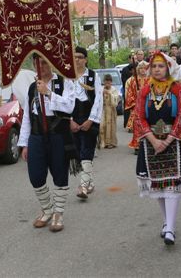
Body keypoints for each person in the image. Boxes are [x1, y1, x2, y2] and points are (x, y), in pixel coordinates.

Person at [133, 51, 181, 246]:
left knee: (172, 185)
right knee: (157, 185)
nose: (157, 70)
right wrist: (152, 140)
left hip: (173, 143)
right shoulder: (145, 90)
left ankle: (170, 228)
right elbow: (139, 116)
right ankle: (166, 221)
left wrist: (167, 141)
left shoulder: (177, 89)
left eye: (161, 66)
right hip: (151, 143)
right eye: (154, 66)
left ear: (168, 68)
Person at [18, 54, 76, 232]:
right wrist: (24, 143)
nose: (41, 66)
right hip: (36, 136)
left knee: (59, 174)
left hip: (58, 134)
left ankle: (58, 213)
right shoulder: (31, 88)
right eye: (37, 63)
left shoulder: (65, 83)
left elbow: (69, 107)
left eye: (44, 62)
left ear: (52, 63)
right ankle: (47, 209)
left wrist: (48, 93)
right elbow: (27, 116)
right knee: (35, 176)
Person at [70, 46, 102, 200]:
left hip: (90, 116)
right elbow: (65, 100)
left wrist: (91, 120)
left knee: (86, 150)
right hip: (73, 117)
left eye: (80, 57)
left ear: (86, 59)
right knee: (77, 151)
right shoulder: (67, 77)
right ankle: (89, 182)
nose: (77, 60)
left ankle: (82, 186)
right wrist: (70, 121)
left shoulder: (93, 76)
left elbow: (98, 100)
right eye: (74, 57)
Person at [126, 61, 149, 151]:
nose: (143, 70)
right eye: (141, 68)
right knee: (137, 126)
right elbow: (129, 93)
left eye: (144, 68)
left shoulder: (150, 80)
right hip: (136, 106)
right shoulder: (132, 81)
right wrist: (135, 101)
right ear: (138, 69)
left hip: (147, 105)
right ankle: (137, 145)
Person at [99, 74, 120, 149]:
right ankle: (102, 141)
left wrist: (109, 93)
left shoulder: (113, 90)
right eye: (106, 81)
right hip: (102, 110)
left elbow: (115, 101)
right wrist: (102, 93)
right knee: (102, 126)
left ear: (111, 82)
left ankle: (110, 142)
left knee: (111, 127)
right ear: (104, 82)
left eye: (109, 81)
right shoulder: (101, 89)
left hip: (111, 110)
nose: (107, 83)